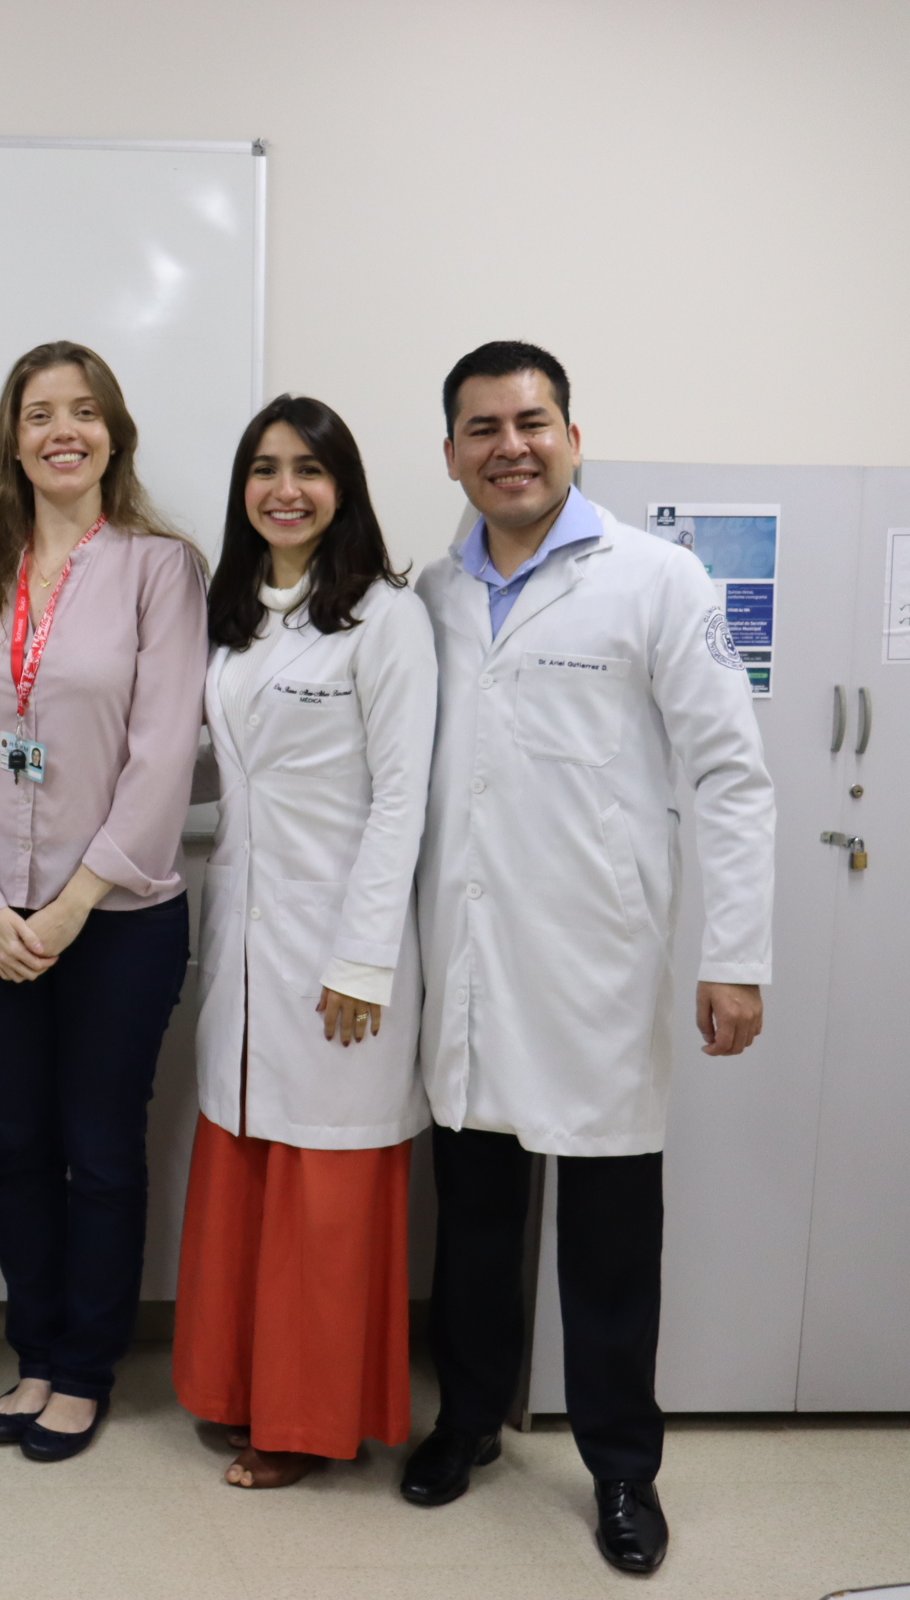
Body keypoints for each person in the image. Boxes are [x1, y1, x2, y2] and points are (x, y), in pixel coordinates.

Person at [402, 342, 774, 1577]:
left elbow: (730, 776)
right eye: (481, 427)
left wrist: (735, 955)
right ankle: (466, 1423)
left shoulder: (659, 581)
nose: (509, 445)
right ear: (450, 451)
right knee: (472, 1221)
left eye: (532, 420)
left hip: (601, 964)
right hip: (466, 961)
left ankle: (622, 1470)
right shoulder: (428, 594)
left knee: (611, 1241)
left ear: (572, 434)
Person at [0, 340, 207, 1463]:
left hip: (119, 919)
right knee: (18, 1148)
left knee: (104, 1147)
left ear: (113, 431)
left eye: (82, 411)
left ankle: (87, 1368)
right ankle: (34, 1354)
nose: (61, 431)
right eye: (39, 413)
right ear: (14, 437)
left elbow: (164, 745)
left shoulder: (159, 568)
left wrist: (76, 900)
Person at [170, 395, 437, 1489]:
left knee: (323, 1193)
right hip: (243, 938)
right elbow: (217, 766)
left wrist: (362, 957)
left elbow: (401, 799)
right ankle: (236, 1389)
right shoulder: (237, 616)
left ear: (344, 487)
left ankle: (304, 1419)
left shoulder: (385, 617)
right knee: (245, 1163)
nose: (286, 488)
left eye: (310, 470)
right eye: (265, 468)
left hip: (340, 942)